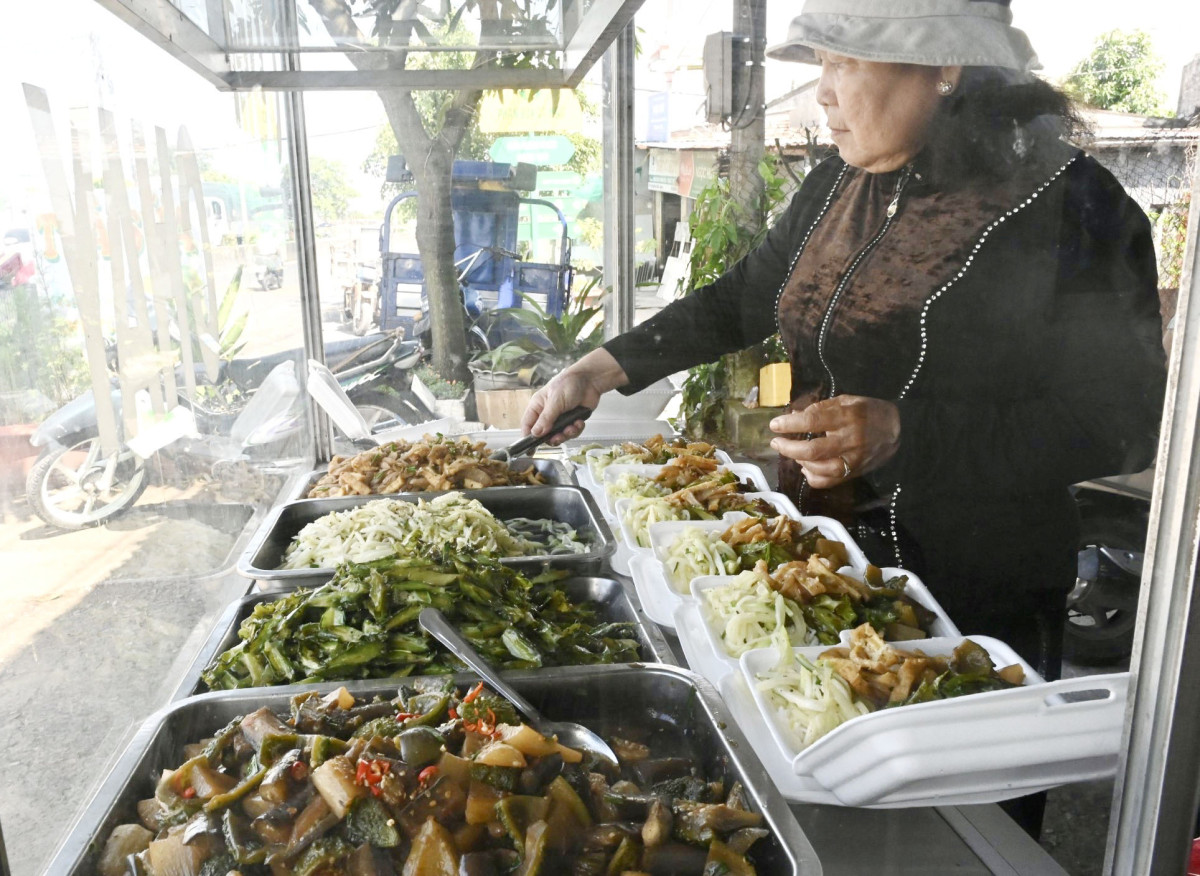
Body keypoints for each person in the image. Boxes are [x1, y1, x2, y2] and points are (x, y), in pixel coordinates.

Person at [523, 0, 1166, 683]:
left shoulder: (1074, 208)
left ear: (943, 65)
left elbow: (1121, 421)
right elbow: (743, 298)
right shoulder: (838, 181)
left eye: (844, 62)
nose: (822, 90)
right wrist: (596, 371)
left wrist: (907, 434)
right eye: (821, 63)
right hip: (822, 573)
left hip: (976, 597)